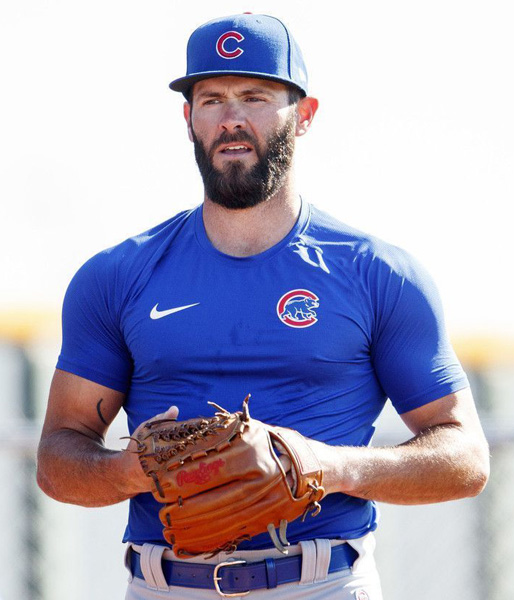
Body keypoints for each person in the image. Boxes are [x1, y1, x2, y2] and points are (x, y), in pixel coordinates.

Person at [37, 13, 490, 600]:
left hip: (322, 583)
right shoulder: (116, 276)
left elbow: (465, 457)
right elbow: (57, 459)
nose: (231, 118)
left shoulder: (377, 273)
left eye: (254, 96)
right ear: (188, 119)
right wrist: (133, 471)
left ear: (304, 115)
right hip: (165, 583)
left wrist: (324, 465)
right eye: (212, 99)